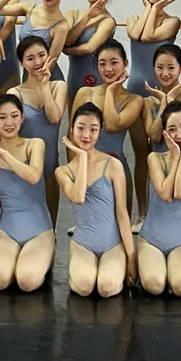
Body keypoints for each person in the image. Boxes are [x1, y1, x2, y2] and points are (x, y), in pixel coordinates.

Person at [57, 103, 136, 297]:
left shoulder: (113, 165)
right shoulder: (63, 171)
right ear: (71, 129)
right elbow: (78, 197)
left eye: (93, 130)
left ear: (100, 132)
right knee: (84, 287)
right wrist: (82, 158)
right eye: (81, 128)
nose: (86, 135)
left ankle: (112, 266)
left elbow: (122, 214)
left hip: (112, 243)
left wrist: (131, 258)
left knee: (106, 287)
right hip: (83, 243)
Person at [0, 93, 56, 292]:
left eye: (14, 116)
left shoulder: (35, 144)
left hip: (39, 229)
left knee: (27, 281)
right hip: (7, 230)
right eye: (2, 117)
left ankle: (46, 250)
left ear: (22, 117)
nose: (9, 122)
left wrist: (4, 154)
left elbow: (33, 176)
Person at [126, 0, 180, 222]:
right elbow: (136, 33)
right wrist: (149, 8)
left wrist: (153, 8)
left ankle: (163, 211)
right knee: (141, 155)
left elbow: (147, 36)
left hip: (162, 94)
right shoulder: (133, 18)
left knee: (160, 152)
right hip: (135, 93)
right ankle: (142, 213)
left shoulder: (172, 22)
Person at [138, 102, 181, 296]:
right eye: (172, 130)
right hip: (150, 239)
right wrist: (177, 158)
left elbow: (180, 192)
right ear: (164, 133)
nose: (179, 135)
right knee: (155, 285)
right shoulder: (155, 158)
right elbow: (165, 194)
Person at [10, 34, 68, 224]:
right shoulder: (15, 93)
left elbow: (54, 117)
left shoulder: (58, 86)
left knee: (50, 222)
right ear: (21, 63)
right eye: (30, 58)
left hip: (50, 161)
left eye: (42, 55)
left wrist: (44, 86)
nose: (37, 62)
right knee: (27, 217)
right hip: (24, 161)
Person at [72, 40, 143, 184]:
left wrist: (110, 91)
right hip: (87, 171)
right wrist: (75, 172)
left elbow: (111, 125)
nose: (108, 69)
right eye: (102, 64)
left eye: (114, 62)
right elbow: (72, 139)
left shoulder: (134, 100)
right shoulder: (85, 93)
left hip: (118, 173)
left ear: (125, 63)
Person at [61, 0, 122, 98]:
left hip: (94, 78)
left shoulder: (108, 21)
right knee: (72, 111)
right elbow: (67, 40)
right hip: (73, 78)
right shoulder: (73, 13)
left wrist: (65, 50)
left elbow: (89, 48)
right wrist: (88, 16)